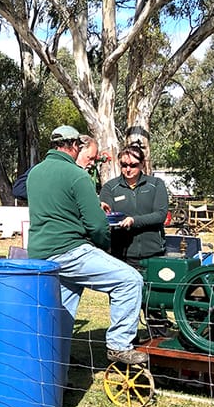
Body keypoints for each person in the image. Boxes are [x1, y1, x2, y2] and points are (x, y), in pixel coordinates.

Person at [27, 125, 147, 365]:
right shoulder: (77, 175)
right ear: (74, 146)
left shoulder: (35, 173)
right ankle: (119, 345)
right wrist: (106, 247)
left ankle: (55, 360)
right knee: (130, 280)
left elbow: (56, 210)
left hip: (40, 254)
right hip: (70, 251)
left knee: (64, 308)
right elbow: (97, 226)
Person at [99, 143, 169, 269]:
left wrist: (133, 221)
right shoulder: (110, 187)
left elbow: (160, 215)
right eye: (124, 165)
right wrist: (102, 209)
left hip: (154, 254)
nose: (128, 169)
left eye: (133, 165)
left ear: (142, 164)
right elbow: (107, 210)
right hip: (122, 256)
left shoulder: (156, 184)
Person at [13, 135, 102, 203]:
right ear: (77, 149)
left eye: (94, 159)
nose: (92, 163)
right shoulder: (45, 169)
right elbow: (19, 189)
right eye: (90, 158)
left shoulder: (83, 178)